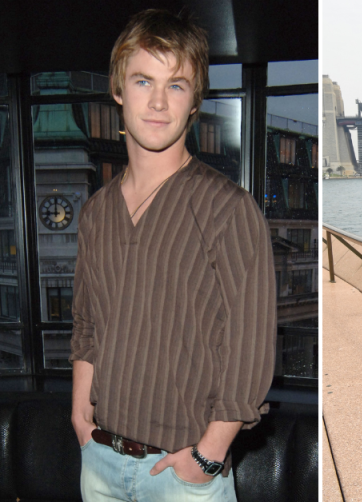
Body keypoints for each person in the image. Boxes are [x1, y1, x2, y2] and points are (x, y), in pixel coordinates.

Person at [69, 9, 276, 501]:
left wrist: (207, 457)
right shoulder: (96, 211)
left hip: (182, 477)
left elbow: (251, 346)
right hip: (99, 461)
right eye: (144, 81)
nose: (159, 101)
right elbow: (87, 323)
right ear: (119, 89)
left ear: (194, 102)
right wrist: (80, 415)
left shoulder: (228, 208)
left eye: (177, 85)